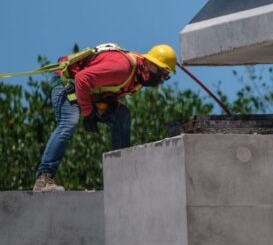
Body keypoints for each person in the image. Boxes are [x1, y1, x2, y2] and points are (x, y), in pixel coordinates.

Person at [32, 43, 177, 192]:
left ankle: (119, 179)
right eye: (159, 71)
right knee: (69, 121)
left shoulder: (137, 77)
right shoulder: (123, 67)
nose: (159, 78)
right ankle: (44, 178)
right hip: (66, 82)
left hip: (87, 91)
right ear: (147, 62)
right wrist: (88, 114)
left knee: (122, 116)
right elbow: (82, 78)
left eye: (164, 75)